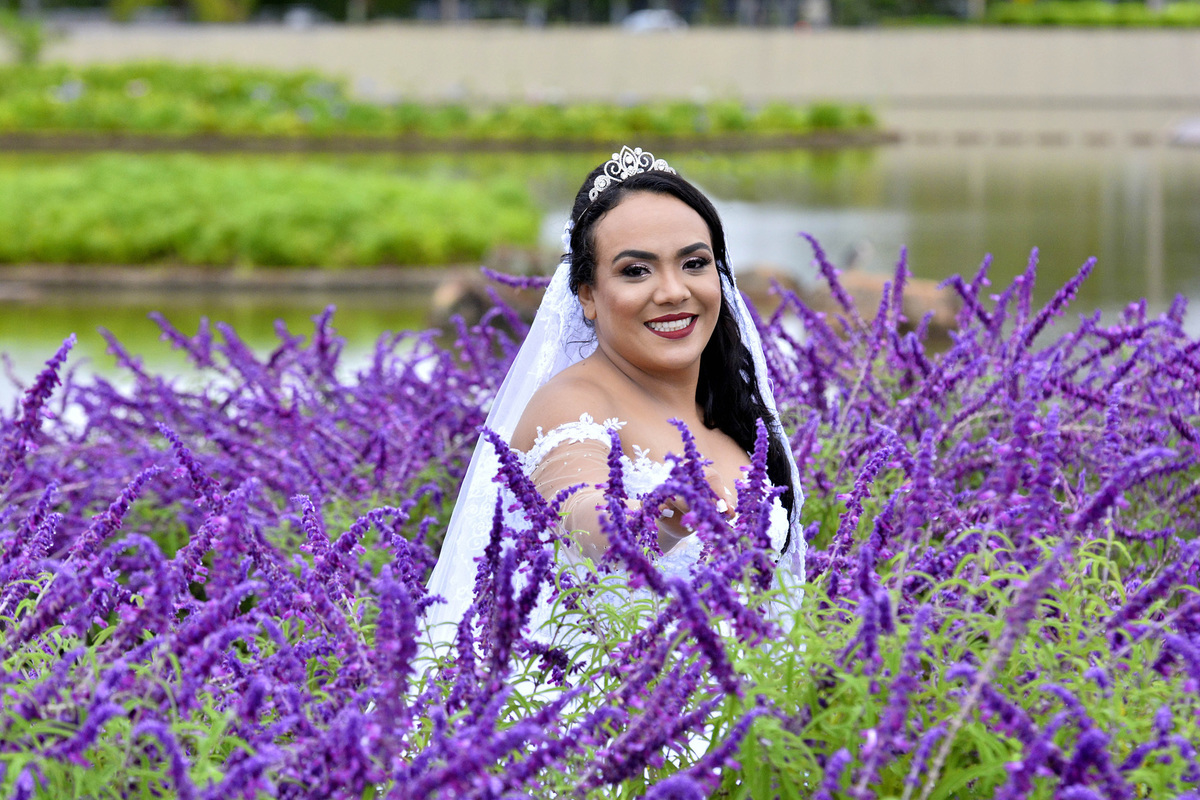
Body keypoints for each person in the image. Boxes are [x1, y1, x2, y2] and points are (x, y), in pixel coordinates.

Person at [423, 146, 805, 645]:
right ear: (586, 294)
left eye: (694, 263)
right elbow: (581, 507)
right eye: (635, 271)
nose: (672, 291)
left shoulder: (731, 415)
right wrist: (654, 518)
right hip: (613, 713)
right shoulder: (570, 403)